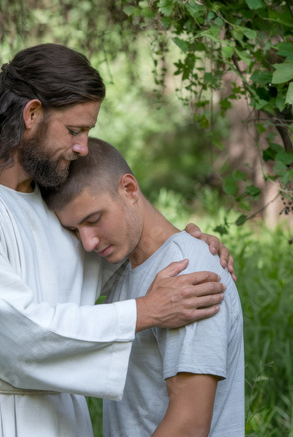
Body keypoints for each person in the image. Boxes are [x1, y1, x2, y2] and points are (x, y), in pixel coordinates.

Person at [0, 43, 233, 437]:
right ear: (32, 114)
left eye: (88, 132)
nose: (82, 147)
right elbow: (17, 336)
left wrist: (192, 245)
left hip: (63, 419)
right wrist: (146, 311)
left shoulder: (56, 205)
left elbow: (134, 247)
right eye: (75, 130)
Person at [44, 137, 245, 437]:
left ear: (129, 189)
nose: (88, 242)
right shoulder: (122, 269)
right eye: (75, 229)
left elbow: (189, 425)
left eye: (94, 219)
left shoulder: (189, 270)